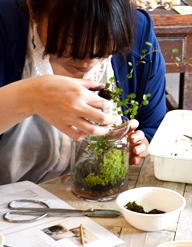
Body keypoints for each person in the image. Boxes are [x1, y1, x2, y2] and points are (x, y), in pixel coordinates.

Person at [0, 0, 168, 184]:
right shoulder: (5, 27)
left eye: (104, 47)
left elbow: (154, 128)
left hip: (93, 200)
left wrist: (140, 146)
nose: (88, 61)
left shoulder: (138, 32)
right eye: (72, 41)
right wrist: (31, 96)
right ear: (33, 8)